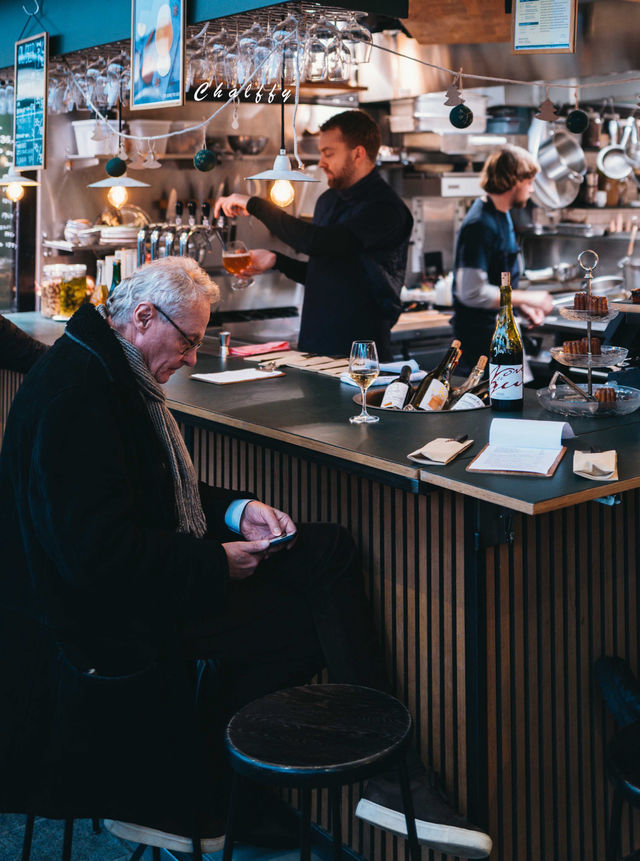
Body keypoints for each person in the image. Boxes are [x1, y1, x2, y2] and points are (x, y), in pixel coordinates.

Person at [0, 256, 491, 858]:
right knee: (305, 620)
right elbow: (96, 558)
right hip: (101, 622)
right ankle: (208, 788)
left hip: (120, 585)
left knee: (329, 551)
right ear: (144, 317)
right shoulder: (80, 393)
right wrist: (215, 563)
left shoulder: (100, 363)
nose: (188, 359)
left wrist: (237, 511)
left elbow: (147, 497)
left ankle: (226, 788)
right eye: (188, 342)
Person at [213, 109, 413, 363]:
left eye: (328, 153)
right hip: (314, 346)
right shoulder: (328, 200)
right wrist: (277, 260)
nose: (320, 162)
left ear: (358, 153)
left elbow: (316, 242)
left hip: (361, 354)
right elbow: (325, 272)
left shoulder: (385, 208)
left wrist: (256, 205)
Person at [452, 144, 554, 372]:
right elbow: (471, 292)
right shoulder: (479, 225)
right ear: (513, 180)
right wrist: (530, 297)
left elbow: (499, 280)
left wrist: (522, 305)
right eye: (529, 182)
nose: (532, 189)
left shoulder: (503, 215)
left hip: (500, 336)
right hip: (479, 348)